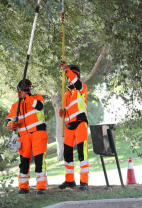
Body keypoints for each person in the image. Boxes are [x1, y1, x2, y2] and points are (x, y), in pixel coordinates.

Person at [6, 79, 48, 195]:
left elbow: (39, 106)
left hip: (38, 133)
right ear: (18, 90)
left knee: (39, 160)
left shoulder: (37, 97)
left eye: (27, 86)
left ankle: (41, 187)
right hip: (23, 136)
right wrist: (11, 125)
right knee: (24, 162)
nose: (26, 88)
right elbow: (8, 121)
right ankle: (23, 187)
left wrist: (26, 97)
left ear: (30, 88)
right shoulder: (15, 106)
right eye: (23, 86)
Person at [58, 61, 89, 191]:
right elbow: (68, 110)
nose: (69, 79)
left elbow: (77, 83)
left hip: (81, 122)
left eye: (71, 76)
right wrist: (62, 113)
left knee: (82, 152)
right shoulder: (66, 95)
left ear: (76, 76)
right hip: (69, 126)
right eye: (68, 77)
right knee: (67, 154)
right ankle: (70, 180)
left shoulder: (82, 88)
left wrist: (67, 70)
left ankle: (84, 182)